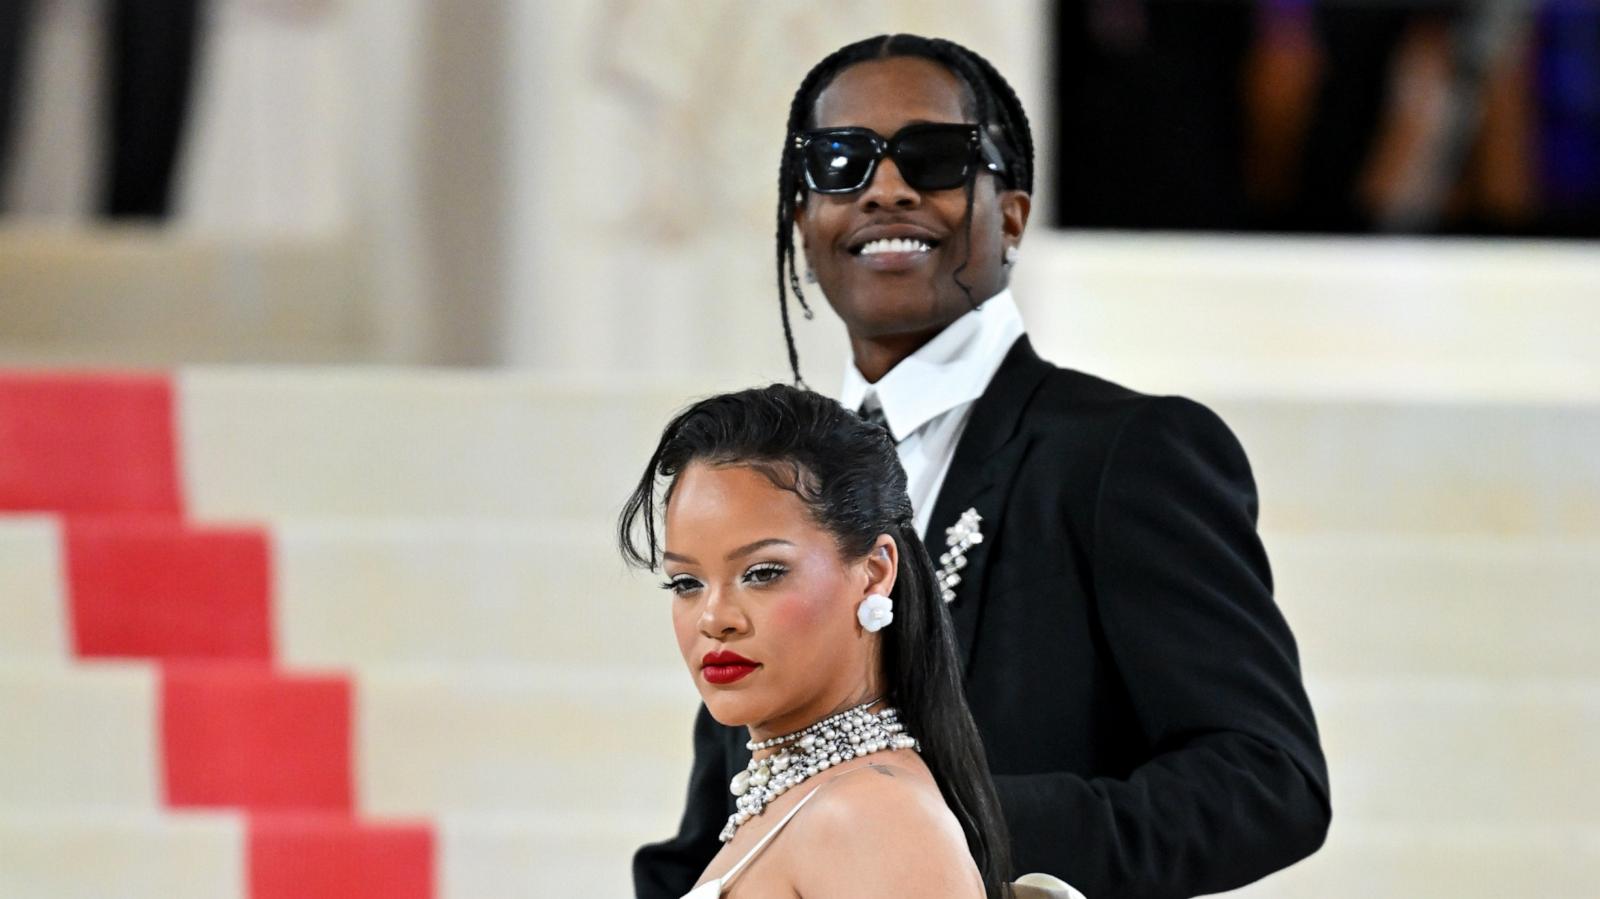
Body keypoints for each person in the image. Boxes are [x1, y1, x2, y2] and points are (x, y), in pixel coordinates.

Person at [618, 384, 1014, 897]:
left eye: (762, 573)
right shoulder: (818, 802)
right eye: (686, 584)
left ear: (874, 573)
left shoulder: (868, 816)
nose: (714, 618)